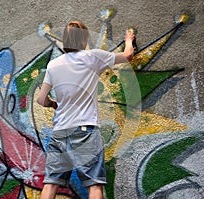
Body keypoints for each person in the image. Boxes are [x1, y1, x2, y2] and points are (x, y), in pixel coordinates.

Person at [37, 20, 135, 199]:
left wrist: (53, 104)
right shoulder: (93, 57)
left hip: (59, 132)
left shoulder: (53, 65)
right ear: (83, 40)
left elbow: (41, 99)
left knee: (51, 183)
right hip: (85, 130)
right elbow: (128, 56)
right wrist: (129, 39)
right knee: (94, 184)